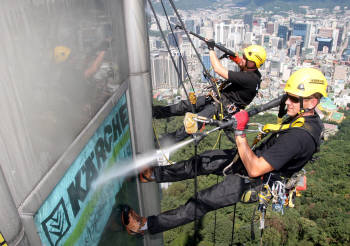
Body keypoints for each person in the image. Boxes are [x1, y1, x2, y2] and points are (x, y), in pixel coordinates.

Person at [121, 67, 327, 235]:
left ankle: (145, 226)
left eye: (293, 98)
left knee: (200, 202)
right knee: (203, 161)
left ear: (312, 101)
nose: (287, 102)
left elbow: (255, 169)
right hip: (250, 158)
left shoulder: (300, 137)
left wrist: (239, 132)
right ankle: (152, 174)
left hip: (253, 180)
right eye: (287, 96)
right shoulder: (306, 117)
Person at [153, 43, 267, 144]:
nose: (242, 59)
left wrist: (211, 49)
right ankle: (155, 112)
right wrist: (235, 58)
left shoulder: (249, 79)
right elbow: (242, 64)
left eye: (245, 58)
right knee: (184, 106)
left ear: (252, 63)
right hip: (217, 99)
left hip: (221, 108)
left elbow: (218, 69)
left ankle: (162, 143)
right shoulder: (255, 73)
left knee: (192, 124)